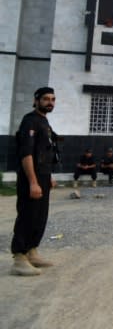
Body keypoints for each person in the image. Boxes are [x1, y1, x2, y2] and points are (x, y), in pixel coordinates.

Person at [10, 87, 58, 276]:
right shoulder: (29, 121)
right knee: (27, 215)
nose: (50, 102)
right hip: (31, 177)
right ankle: (19, 258)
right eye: (46, 99)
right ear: (36, 100)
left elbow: (45, 153)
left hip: (43, 177)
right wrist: (33, 182)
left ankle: (31, 251)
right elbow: (26, 154)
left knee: (40, 216)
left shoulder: (44, 122)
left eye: (53, 99)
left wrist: (48, 178)